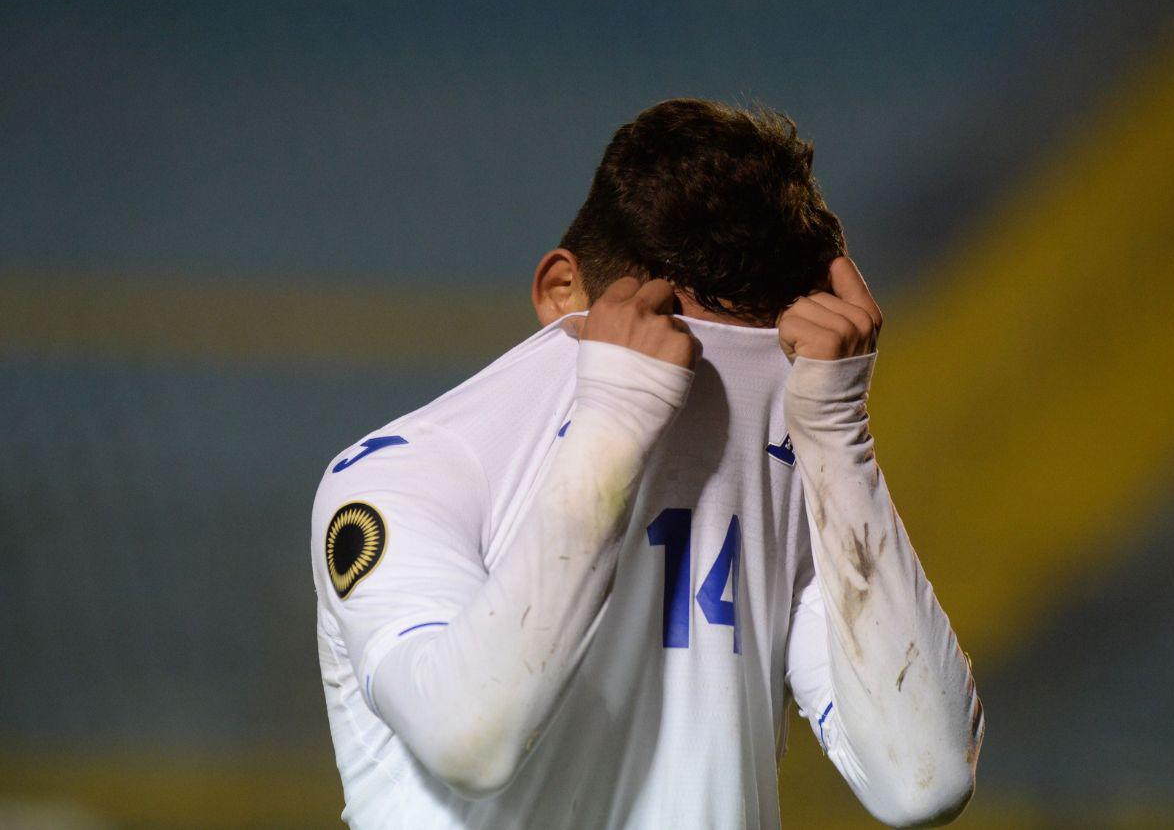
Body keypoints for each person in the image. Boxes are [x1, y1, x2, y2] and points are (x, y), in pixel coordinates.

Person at [311, 99, 983, 829]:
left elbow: (925, 780)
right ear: (562, 293)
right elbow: (471, 739)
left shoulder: (802, 478)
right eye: (666, 345)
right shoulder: (407, 473)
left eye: (757, 368)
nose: (714, 408)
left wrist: (837, 435)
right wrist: (618, 413)